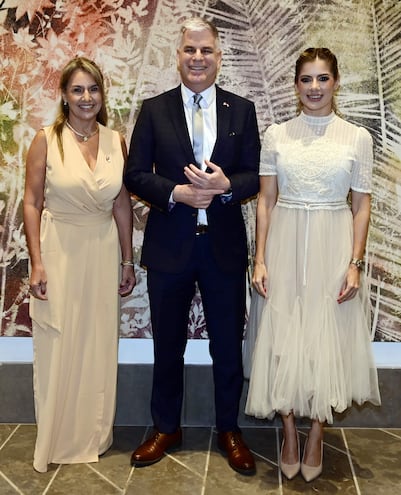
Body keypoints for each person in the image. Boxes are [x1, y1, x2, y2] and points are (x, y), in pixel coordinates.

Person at [124, 18, 260, 475]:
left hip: (222, 248)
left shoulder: (242, 110)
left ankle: (229, 429)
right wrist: (176, 193)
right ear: (177, 55)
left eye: (205, 50)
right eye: (189, 50)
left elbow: (254, 175)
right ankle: (167, 427)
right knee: (167, 345)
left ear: (219, 56)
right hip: (170, 247)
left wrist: (226, 185)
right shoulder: (154, 109)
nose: (197, 58)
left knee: (226, 345)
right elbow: (136, 173)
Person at [244, 47, 381, 482]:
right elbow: (265, 200)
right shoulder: (277, 134)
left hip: (333, 242)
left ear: (335, 82)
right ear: (296, 84)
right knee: (283, 333)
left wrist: (355, 262)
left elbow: (361, 205)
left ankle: (317, 431)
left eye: (323, 79)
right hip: (284, 241)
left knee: (328, 336)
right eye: (306, 79)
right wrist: (260, 258)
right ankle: (287, 429)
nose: (314, 88)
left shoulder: (357, 137)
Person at [23, 57, 136, 473]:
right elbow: (32, 202)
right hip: (60, 248)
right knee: (58, 340)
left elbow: (122, 202)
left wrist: (128, 259)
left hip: (102, 248)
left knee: (97, 342)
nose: (86, 98)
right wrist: (36, 263)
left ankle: (94, 434)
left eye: (93, 89)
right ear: (65, 96)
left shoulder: (115, 140)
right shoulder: (46, 139)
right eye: (77, 90)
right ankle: (58, 436)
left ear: (102, 95)